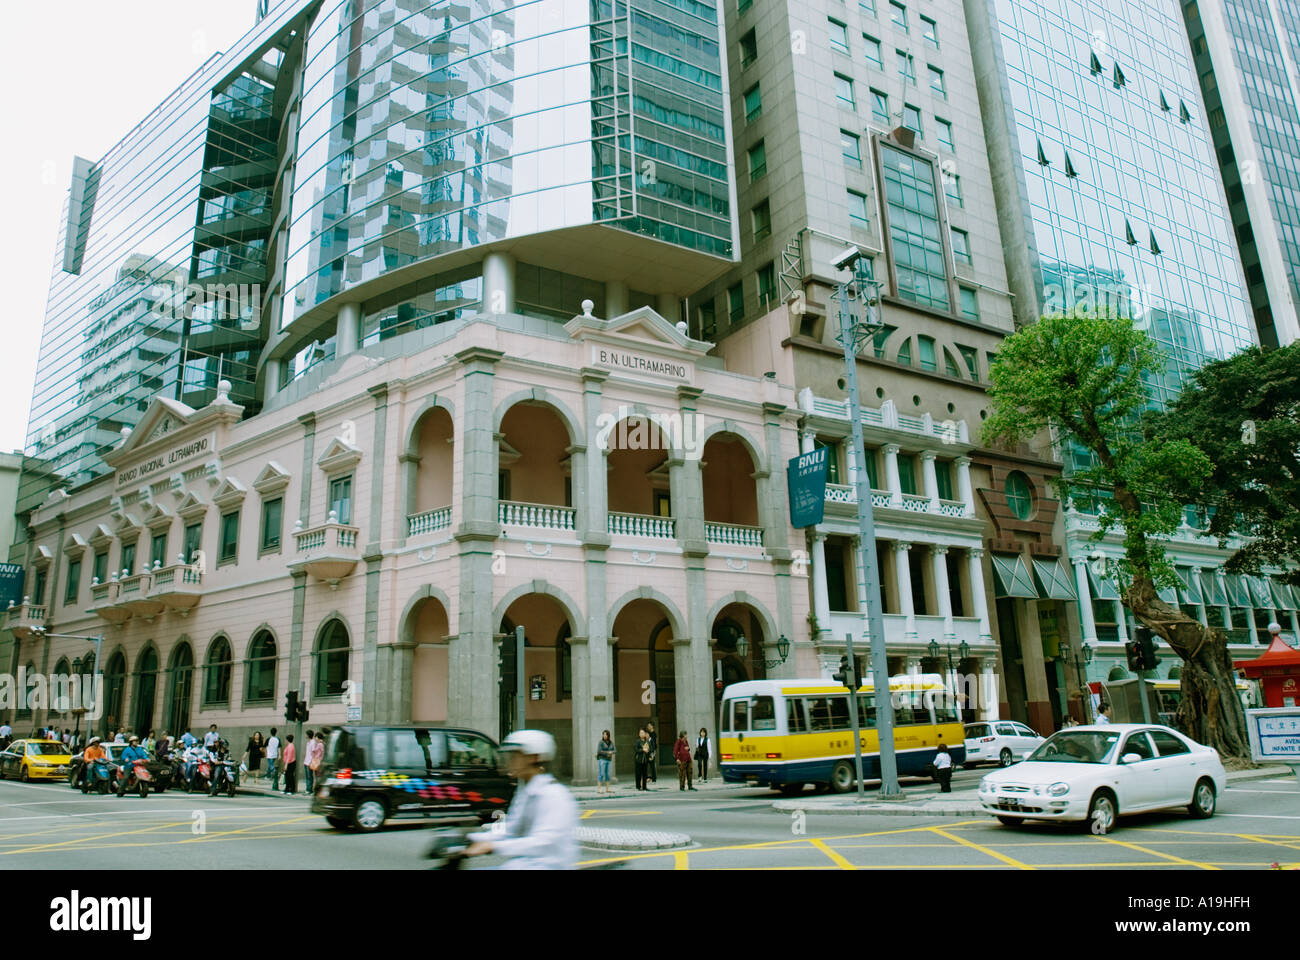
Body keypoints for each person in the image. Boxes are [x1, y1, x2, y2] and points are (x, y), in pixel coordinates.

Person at [464, 730, 578, 869]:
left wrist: (493, 846)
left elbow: (542, 842)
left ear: (533, 757)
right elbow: (510, 829)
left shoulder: (554, 794)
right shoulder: (525, 790)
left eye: (515, 756)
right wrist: (471, 838)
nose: (510, 761)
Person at [596, 730, 615, 796]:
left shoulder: (611, 742)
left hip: (608, 760)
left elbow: (615, 750)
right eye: (603, 734)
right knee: (601, 773)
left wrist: (611, 752)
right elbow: (599, 751)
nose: (604, 736)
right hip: (602, 759)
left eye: (606, 734)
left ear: (608, 735)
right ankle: (599, 789)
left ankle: (607, 788)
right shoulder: (601, 742)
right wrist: (607, 752)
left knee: (607, 774)